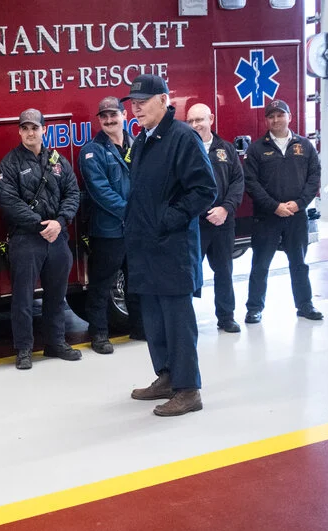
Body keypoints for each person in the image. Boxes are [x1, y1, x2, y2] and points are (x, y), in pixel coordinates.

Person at [122, 74, 217, 417]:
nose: (136, 107)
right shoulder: (144, 140)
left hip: (172, 247)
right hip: (145, 246)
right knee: (154, 320)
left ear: (163, 100)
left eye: (142, 101)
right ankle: (166, 375)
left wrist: (167, 220)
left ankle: (188, 389)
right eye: (133, 102)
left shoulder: (182, 138)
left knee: (177, 320)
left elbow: (205, 190)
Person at [0, 108, 82, 370]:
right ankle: (24, 349)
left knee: (57, 295)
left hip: (57, 237)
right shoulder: (9, 163)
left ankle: (55, 343)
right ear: (19, 131)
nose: (30, 132)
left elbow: (73, 193)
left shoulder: (58, 160)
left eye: (35, 127)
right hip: (26, 239)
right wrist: (39, 224)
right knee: (23, 298)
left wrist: (59, 222)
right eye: (25, 128)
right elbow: (8, 201)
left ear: (44, 130)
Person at [243, 100, 324, 324]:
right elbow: (251, 183)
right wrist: (274, 206)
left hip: (296, 216)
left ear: (290, 117)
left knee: (299, 263)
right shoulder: (257, 149)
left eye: (280, 115)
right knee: (260, 264)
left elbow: (314, 177)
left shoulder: (305, 146)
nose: (276, 120)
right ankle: (254, 308)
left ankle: (305, 305)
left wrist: (299, 203)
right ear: (266, 120)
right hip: (267, 217)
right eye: (271, 116)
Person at [77, 97, 144, 354]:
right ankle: (100, 334)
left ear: (124, 115)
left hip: (136, 229)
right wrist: (130, 213)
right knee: (101, 285)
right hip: (108, 231)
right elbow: (100, 191)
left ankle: (139, 327)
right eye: (103, 116)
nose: (108, 120)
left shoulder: (139, 145)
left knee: (137, 280)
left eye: (113, 114)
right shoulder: (91, 151)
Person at [186, 103, 246, 333]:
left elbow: (237, 183)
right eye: (190, 121)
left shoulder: (227, 150)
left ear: (211, 118)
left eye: (199, 120)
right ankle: (186, 319)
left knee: (224, 271)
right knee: (190, 272)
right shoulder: (185, 149)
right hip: (196, 224)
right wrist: (202, 211)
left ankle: (226, 317)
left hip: (223, 222)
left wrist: (225, 209)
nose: (195, 125)